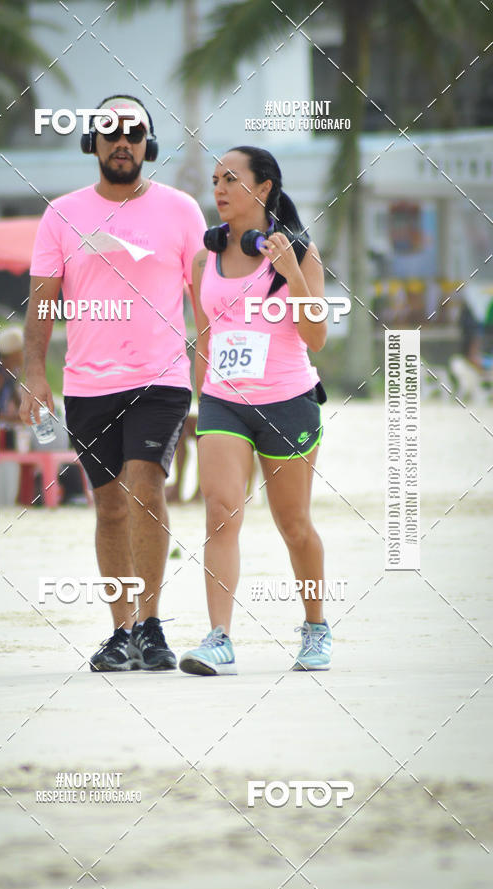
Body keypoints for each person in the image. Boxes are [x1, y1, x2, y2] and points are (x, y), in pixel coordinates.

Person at [20, 94, 206, 671]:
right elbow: (41, 303)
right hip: (87, 385)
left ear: (147, 144)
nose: (121, 141)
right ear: (92, 143)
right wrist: (32, 373)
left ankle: (151, 626)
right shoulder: (61, 214)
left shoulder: (181, 210)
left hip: (162, 379)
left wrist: (215, 373)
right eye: (110, 132)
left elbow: (204, 299)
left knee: (145, 489)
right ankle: (121, 631)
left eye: (133, 132)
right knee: (109, 508)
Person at [179, 146, 331, 676]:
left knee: (294, 525)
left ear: (263, 188)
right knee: (220, 511)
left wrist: (289, 271)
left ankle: (315, 627)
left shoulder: (301, 253)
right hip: (224, 403)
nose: (218, 189)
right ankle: (219, 638)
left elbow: (317, 338)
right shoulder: (205, 259)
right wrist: (203, 396)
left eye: (230, 179)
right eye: (215, 179)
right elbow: (203, 334)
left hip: (288, 401)